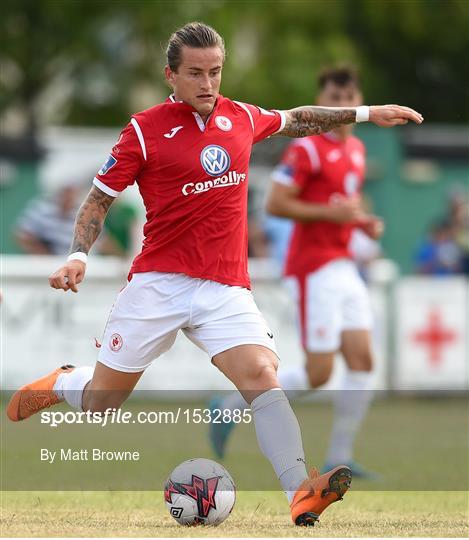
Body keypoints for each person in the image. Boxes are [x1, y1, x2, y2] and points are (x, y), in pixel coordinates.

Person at [7, 23, 423, 526]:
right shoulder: (144, 129)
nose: (208, 83)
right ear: (172, 75)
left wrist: (365, 113)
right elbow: (99, 198)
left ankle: (300, 490)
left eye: (216, 72)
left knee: (262, 376)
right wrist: (79, 256)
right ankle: (65, 381)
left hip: (224, 288)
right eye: (196, 73)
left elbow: (299, 118)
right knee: (103, 403)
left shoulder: (242, 117)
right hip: (158, 284)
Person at [210, 66, 384, 479]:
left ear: (358, 99)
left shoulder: (356, 150)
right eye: (334, 99)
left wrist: (361, 223)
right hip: (314, 269)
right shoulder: (306, 149)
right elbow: (275, 204)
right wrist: (333, 213)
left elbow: (343, 204)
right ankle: (230, 404)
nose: (342, 106)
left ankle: (339, 456)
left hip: (344, 265)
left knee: (362, 361)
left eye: (348, 98)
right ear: (323, 101)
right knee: (319, 373)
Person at [14, 183, 81, 255]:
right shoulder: (40, 208)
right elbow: (23, 235)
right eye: (65, 191)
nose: (68, 196)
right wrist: (44, 254)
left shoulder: (83, 211)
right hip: (44, 262)